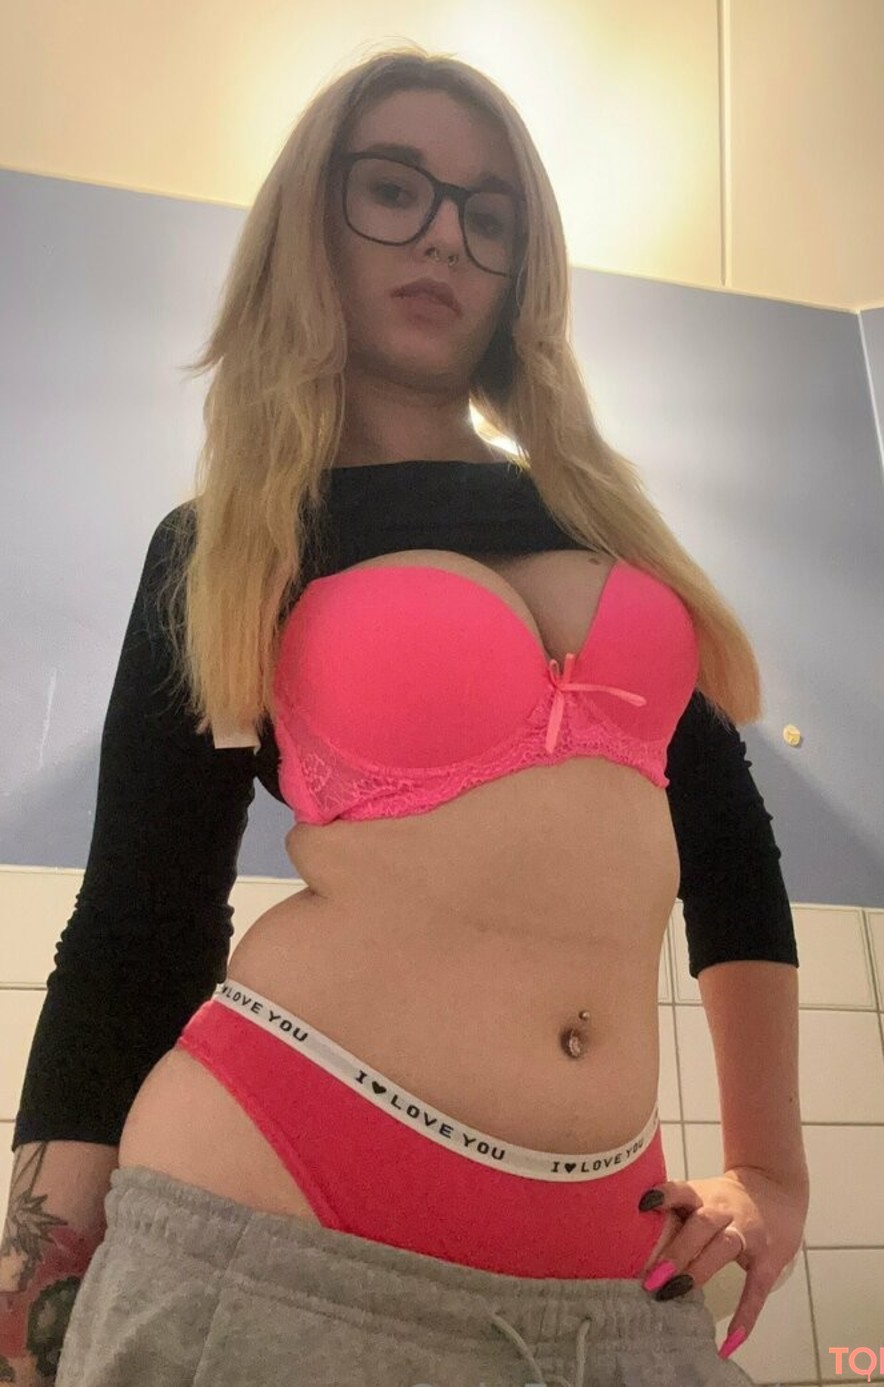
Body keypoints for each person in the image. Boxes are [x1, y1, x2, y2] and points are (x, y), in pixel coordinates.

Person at [2, 43, 808, 1387]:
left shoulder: (603, 531)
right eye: (394, 188)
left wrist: (774, 1170)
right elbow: (138, 928)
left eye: (488, 214)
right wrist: (28, 1305)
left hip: (608, 1283)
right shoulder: (231, 545)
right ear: (309, 222)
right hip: (267, 1247)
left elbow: (729, 848)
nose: (444, 235)